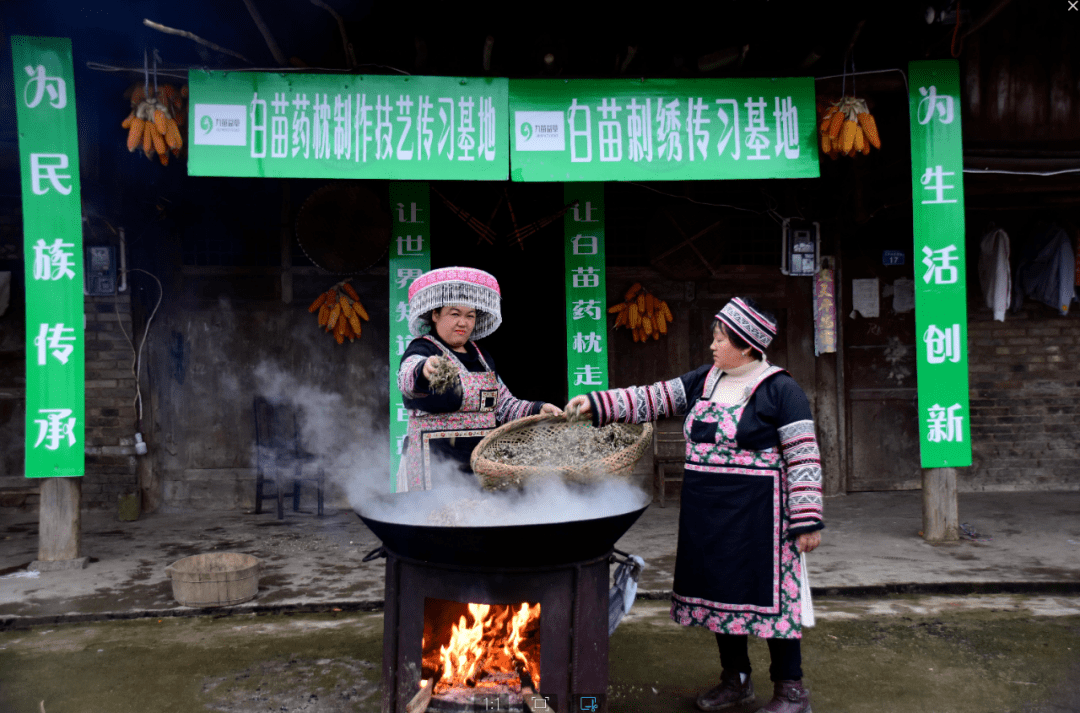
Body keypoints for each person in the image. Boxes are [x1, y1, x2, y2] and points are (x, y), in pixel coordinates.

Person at [565, 297, 823, 713]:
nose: (713, 346)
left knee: (776, 603)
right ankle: (735, 679)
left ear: (746, 345)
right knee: (719, 593)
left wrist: (807, 520)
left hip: (762, 518)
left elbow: (804, 457)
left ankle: (790, 690)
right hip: (708, 513)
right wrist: (598, 404)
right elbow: (652, 398)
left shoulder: (782, 390)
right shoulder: (705, 380)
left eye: (720, 339)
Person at [396, 266, 562, 492]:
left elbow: (504, 405)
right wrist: (424, 370)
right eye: (455, 314)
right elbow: (406, 377)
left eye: (470, 315)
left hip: (480, 463)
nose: (463, 322)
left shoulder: (482, 357)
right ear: (435, 315)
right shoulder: (422, 348)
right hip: (434, 465)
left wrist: (538, 409)